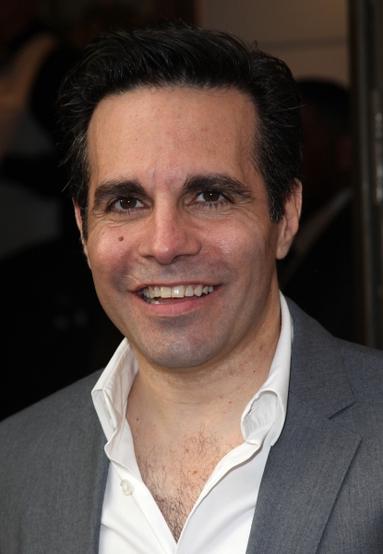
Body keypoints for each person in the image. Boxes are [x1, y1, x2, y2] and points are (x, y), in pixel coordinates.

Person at [1, 22, 383, 554]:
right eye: (126, 202)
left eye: (209, 195)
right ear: (85, 232)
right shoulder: (14, 465)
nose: (164, 244)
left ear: (286, 217)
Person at [279, 79, 356, 341]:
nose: (283, 159)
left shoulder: (360, 241)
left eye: (299, 141)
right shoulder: (302, 227)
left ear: (346, 150)